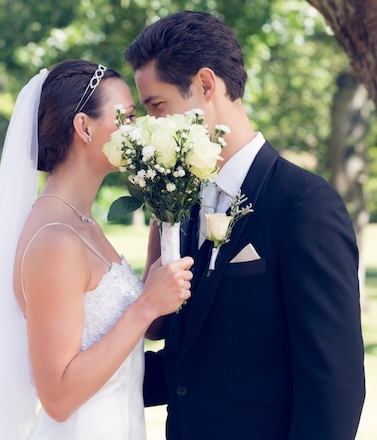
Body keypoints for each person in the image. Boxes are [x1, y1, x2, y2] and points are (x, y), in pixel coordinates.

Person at [124, 11, 366, 440]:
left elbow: (333, 386)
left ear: (205, 85)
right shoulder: (180, 207)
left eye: (157, 106)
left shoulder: (304, 204)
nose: (151, 125)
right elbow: (192, 363)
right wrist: (80, 376)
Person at [0, 59, 193, 439]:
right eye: (127, 117)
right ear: (84, 127)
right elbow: (59, 396)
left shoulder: (81, 224)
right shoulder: (56, 240)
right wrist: (145, 304)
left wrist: (164, 220)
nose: (137, 130)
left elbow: (142, 326)